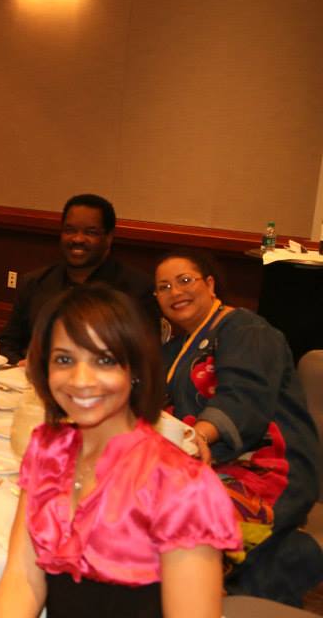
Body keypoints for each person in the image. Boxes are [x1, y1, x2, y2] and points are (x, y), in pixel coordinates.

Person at [0, 284, 239, 618]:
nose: (80, 380)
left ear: (134, 370)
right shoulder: (48, 450)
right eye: (64, 359)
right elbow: (23, 580)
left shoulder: (181, 485)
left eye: (104, 360)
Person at [155, 249, 323, 606]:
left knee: (178, 527)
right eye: (164, 287)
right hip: (205, 464)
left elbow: (243, 398)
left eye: (185, 280)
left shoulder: (246, 329)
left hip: (267, 465)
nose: (175, 292)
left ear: (211, 284)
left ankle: (201, 603)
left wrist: (200, 433)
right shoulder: (175, 348)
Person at [0, 194, 157, 364]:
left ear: (109, 237)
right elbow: (7, 344)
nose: (78, 239)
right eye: (70, 230)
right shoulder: (34, 282)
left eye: (90, 232)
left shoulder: (136, 289)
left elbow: (144, 358)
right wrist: (21, 364)